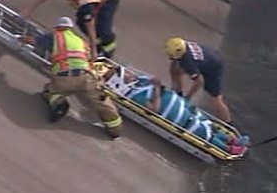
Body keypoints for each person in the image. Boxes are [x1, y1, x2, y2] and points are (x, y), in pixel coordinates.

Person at [102, 66, 246, 154]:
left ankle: (233, 140)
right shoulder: (134, 96)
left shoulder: (139, 82)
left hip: (184, 107)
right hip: (179, 117)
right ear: (120, 83)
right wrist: (157, 89)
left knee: (208, 124)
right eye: (125, 75)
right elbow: (153, 109)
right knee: (204, 133)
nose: (128, 73)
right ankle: (227, 149)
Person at [41, 16, 123, 139]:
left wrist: (23, 40)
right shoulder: (81, 42)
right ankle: (115, 129)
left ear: (58, 27)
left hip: (66, 79)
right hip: (87, 78)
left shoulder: (54, 36)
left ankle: (60, 103)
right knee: (103, 103)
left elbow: (33, 41)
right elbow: (91, 60)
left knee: (50, 90)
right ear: (70, 28)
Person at [23, 0, 119, 59]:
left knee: (103, 28)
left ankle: (108, 48)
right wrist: (28, 10)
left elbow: (90, 24)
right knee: (81, 21)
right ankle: (97, 41)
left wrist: (93, 49)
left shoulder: (86, 2)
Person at [164, 37, 233, 124]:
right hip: (208, 56)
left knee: (216, 100)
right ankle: (178, 93)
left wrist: (187, 98)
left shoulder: (188, 63)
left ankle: (228, 123)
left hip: (213, 68)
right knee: (174, 70)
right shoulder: (182, 45)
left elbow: (199, 82)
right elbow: (175, 62)